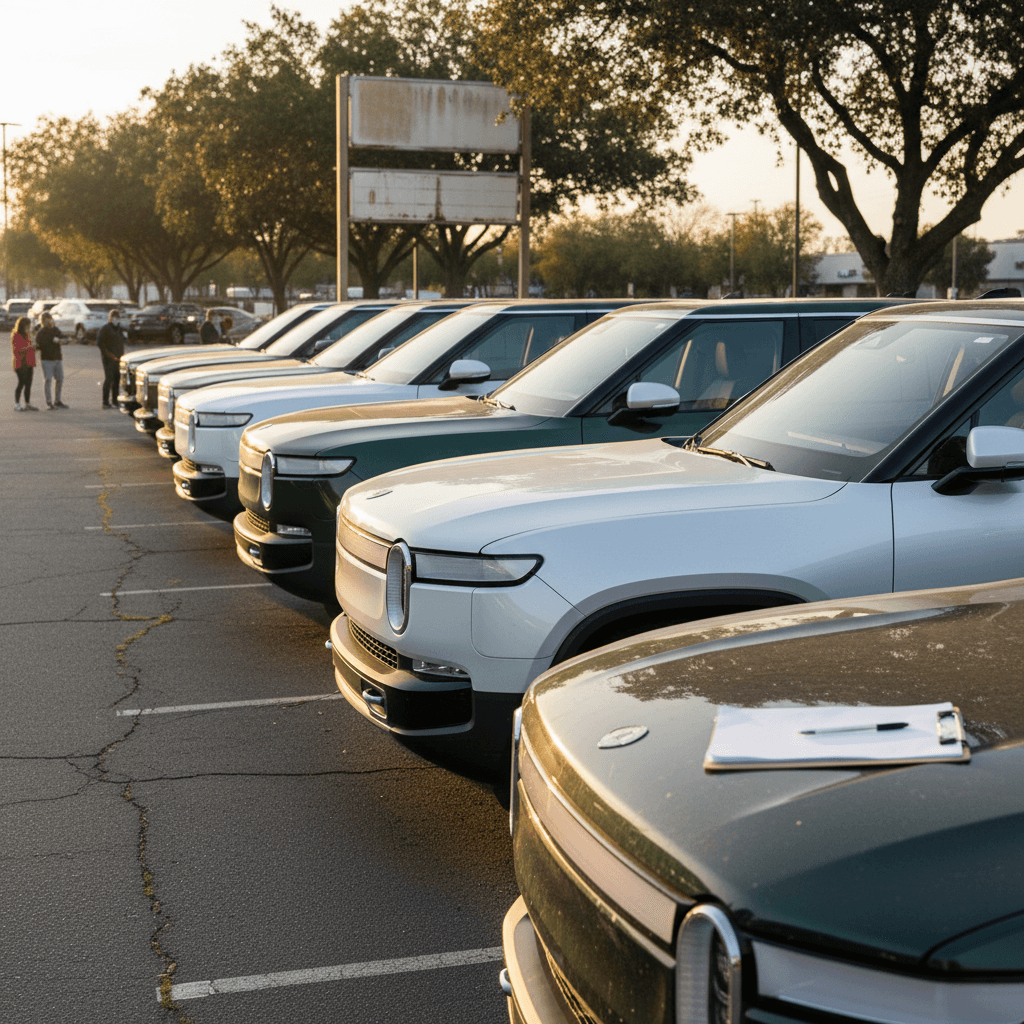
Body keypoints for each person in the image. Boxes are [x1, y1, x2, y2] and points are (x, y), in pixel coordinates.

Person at [35, 312, 68, 409]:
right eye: (45, 320)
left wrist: (61, 340)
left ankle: (58, 400)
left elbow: (65, 339)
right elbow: (38, 345)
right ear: (42, 321)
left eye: (49, 319)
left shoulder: (55, 330)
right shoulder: (41, 332)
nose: (48, 321)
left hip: (57, 358)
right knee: (48, 380)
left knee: (60, 379)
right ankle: (49, 402)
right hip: (46, 359)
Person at [96, 307, 126, 409]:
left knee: (117, 379)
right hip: (108, 358)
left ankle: (115, 400)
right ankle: (105, 402)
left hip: (118, 358)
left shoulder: (119, 329)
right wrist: (107, 353)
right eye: (114, 318)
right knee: (109, 378)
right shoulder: (105, 329)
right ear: (110, 318)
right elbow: (99, 342)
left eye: (117, 318)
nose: (116, 320)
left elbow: (123, 340)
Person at [11, 316, 38, 411]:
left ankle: (27, 403)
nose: (29, 327)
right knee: (21, 383)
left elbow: (31, 347)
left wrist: (34, 346)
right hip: (20, 363)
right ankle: (17, 404)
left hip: (29, 362)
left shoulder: (28, 335)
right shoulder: (16, 335)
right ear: (23, 325)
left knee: (28, 384)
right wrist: (30, 347)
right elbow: (17, 350)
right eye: (28, 325)